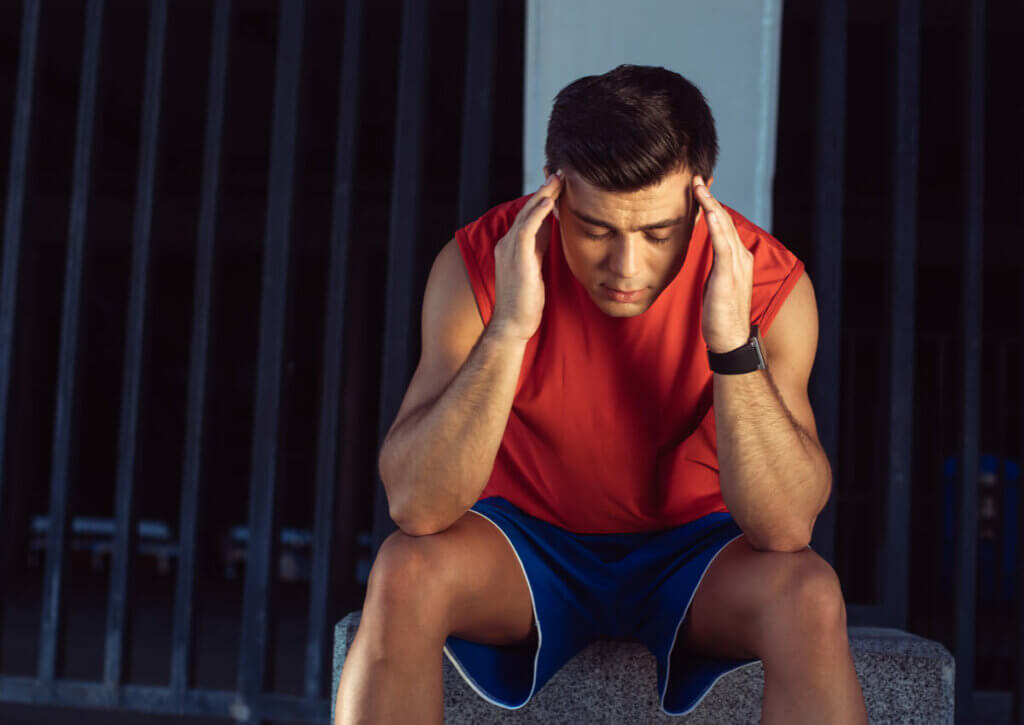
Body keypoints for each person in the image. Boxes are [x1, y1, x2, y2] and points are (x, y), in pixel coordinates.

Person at [334, 64, 868, 724]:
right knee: (404, 571)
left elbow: (786, 526)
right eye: (595, 229)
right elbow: (414, 502)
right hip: (524, 546)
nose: (626, 267)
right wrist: (508, 330)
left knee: (810, 595)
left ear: (701, 199)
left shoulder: (769, 283)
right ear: (553, 193)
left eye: (656, 234)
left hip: (696, 552)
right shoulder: (481, 261)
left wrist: (732, 345)